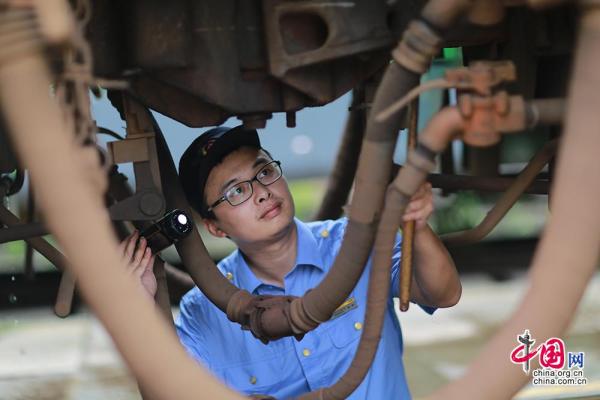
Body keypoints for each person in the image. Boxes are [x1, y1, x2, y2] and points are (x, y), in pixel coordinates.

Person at [120, 125, 461, 399]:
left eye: (264, 171)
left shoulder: (353, 245)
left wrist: (415, 221)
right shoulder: (204, 310)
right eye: (236, 192)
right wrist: (136, 308)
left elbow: (443, 293)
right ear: (214, 227)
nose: (262, 191)